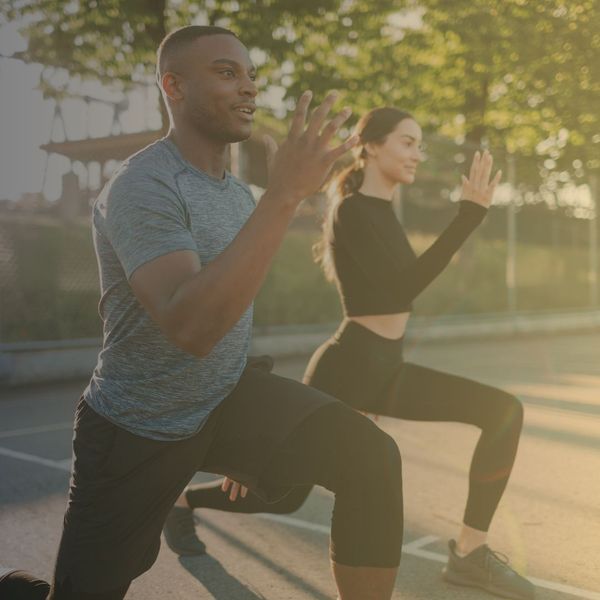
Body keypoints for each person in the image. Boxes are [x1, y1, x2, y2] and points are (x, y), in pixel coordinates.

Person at [1, 27, 407, 600]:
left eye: (250, 76)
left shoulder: (238, 195)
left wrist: (249, 437)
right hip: (137, 426)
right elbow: (190, 326)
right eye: (225, 72)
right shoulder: (143, 186)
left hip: (223, 399)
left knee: (370, 457)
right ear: (173, 86)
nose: (247, 89)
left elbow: (234, 313)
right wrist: (283, 196)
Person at [164, 108, 536, 600]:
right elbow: (401, 289)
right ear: (372, 146)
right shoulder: (353, 211)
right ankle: (183, 503)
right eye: (407, 142)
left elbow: (404, 292)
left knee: (502, 411)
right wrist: (468, 216)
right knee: (284, 494)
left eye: (420, 144)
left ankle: (469, 553)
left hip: (388, 367)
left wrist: (469, 218)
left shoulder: (383, 213)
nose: (417, 154)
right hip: (348, 367)